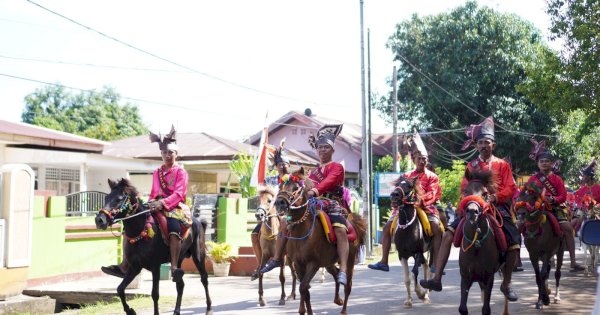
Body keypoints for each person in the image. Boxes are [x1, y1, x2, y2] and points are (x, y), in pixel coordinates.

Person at [420, 116, 520, 302]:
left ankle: (506, 284)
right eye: (480, 142)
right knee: (448, 233)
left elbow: (511, 188)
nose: (483, 145)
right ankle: (436, 278)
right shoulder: (471, 165)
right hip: (474, 206)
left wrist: (495, 196)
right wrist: (467, 202)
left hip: (497, 206)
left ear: (493, 145)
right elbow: (465, 188)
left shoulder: (502, 165)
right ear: (476, 146)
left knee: (514, 239)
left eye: (487, 142)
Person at [259, 124, 351, 286]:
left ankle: (343, 269)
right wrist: (299, 183)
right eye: (320, 147)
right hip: (313, 202)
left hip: (332, 202)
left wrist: (314, 190)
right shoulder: (314, 171)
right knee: (285, 220)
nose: (322, 150)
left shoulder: (337, 167)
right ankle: (276, 258)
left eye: (326, 147)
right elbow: (303, 185)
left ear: (332, 150)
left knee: (340, 229)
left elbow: (328, 182)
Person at [101, 125, 192, 282]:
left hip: (175, 206)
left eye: (170, 152)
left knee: (174, 229)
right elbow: (154, 191)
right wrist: (151, 203)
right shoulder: (157, 172)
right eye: (164, 153)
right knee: (132, 226)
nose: (167, 155)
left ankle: (174, 267)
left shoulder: (180, 172)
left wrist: (162, 202)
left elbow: (179, 193)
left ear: (176, 154)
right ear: (161, 154)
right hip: (156, 205)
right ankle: (124, 265)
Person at [368, 130, 443, 273]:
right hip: (405, 207)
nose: (422, 161)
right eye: (419, 158)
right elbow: (398, 191)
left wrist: (419, 201)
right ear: (414, 159)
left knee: (437, 228)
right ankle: (384, 261)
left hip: (426, 207)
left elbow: (432, 194)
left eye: (424, 158)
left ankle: (436, 262)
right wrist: (396, 201)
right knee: (386, 228)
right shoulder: (406, 175)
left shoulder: (432, 176)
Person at [526, 138, 584, 271]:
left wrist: (553, 199)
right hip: (536, 209)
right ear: (538, 164)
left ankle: (573, 262)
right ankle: (515, 259)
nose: (544, 163)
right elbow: (527, 193)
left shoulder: (557, 179)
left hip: (554, 208)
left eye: (547, 161)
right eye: (542, 161)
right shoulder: (533, 179)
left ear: (551, 163)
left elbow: (563, 196)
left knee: (568, 229)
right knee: (519, 226)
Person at [249, 140, 291, 280]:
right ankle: (259, 265)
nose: (282, 166)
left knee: (291, 229)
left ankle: (296, 259)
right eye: (279, 164)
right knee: (255, 233)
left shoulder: (292, 180)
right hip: (272, 212)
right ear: (276, 166)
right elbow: (264, 194)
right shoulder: (271, 180)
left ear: (288, 165)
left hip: (288, 213)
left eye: (284, 164)